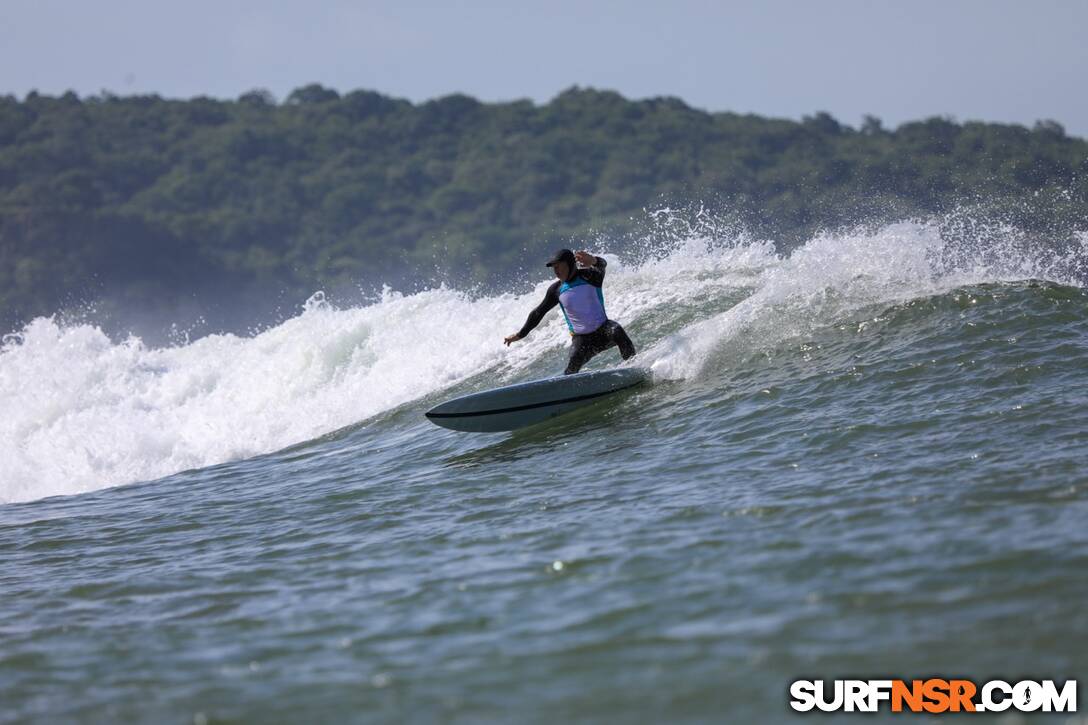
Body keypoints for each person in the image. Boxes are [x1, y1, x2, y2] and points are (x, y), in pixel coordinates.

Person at [504, 248, 636, 374]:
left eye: (558, 266)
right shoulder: (556, 290)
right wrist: (520, 334)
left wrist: (594, 260)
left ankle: (633, 367)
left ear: (570, 264)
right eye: (553, 268)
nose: (555, 271)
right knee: (572, 364)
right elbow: (538, 313)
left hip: (603, 330)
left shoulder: (589, 276)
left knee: (617, 330)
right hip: (582, 340)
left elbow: (602, 265)